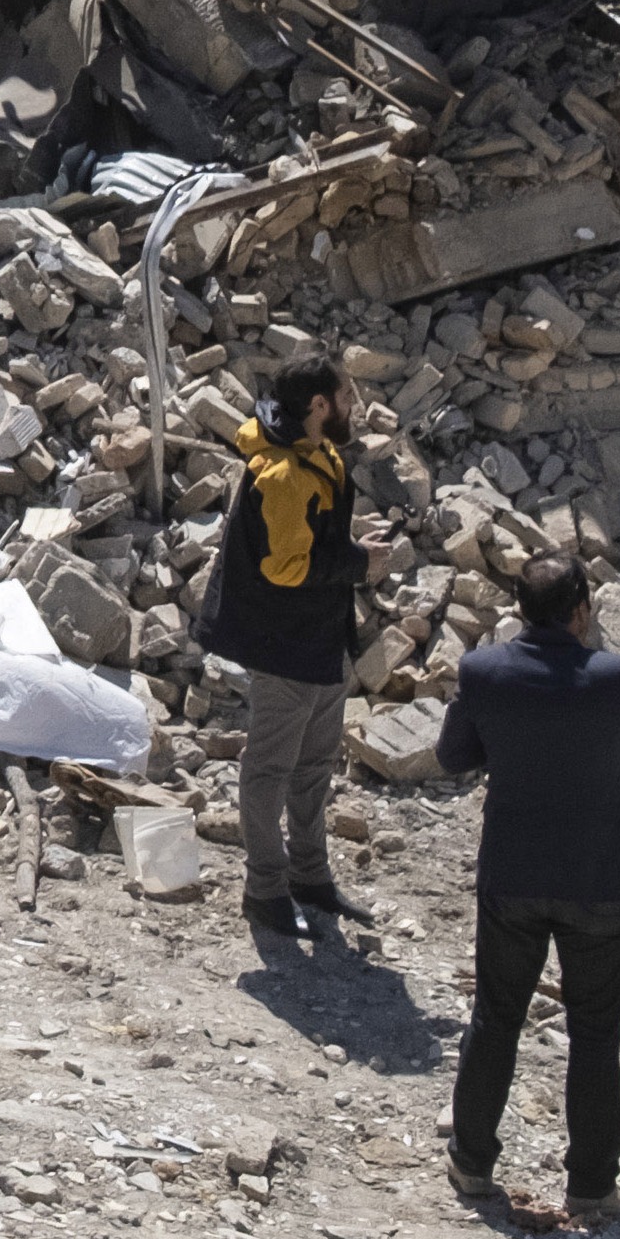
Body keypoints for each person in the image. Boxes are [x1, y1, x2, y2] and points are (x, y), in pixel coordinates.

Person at [435, 554, 620, 1225]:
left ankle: (471, 1160)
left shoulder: (483, 670)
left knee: (494, 1020)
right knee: (595, 1035)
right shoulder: (615, 677)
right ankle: (590, 1185)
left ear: (519, 608)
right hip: (598, 883)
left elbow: (453, 756)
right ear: (579, 612)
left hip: (512, 877)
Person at [200, 359, 393, 940]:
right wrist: (360, 563)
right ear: (317, 406)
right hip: (283, 641)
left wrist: (355, 550)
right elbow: (286, 568)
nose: (354, 408)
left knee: (313, 765)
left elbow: (310, 544)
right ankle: (264, 890)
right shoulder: (282, 474)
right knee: (270, 769)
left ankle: (310, 877)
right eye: (346, 397)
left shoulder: (322, 456)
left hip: (320, 635)